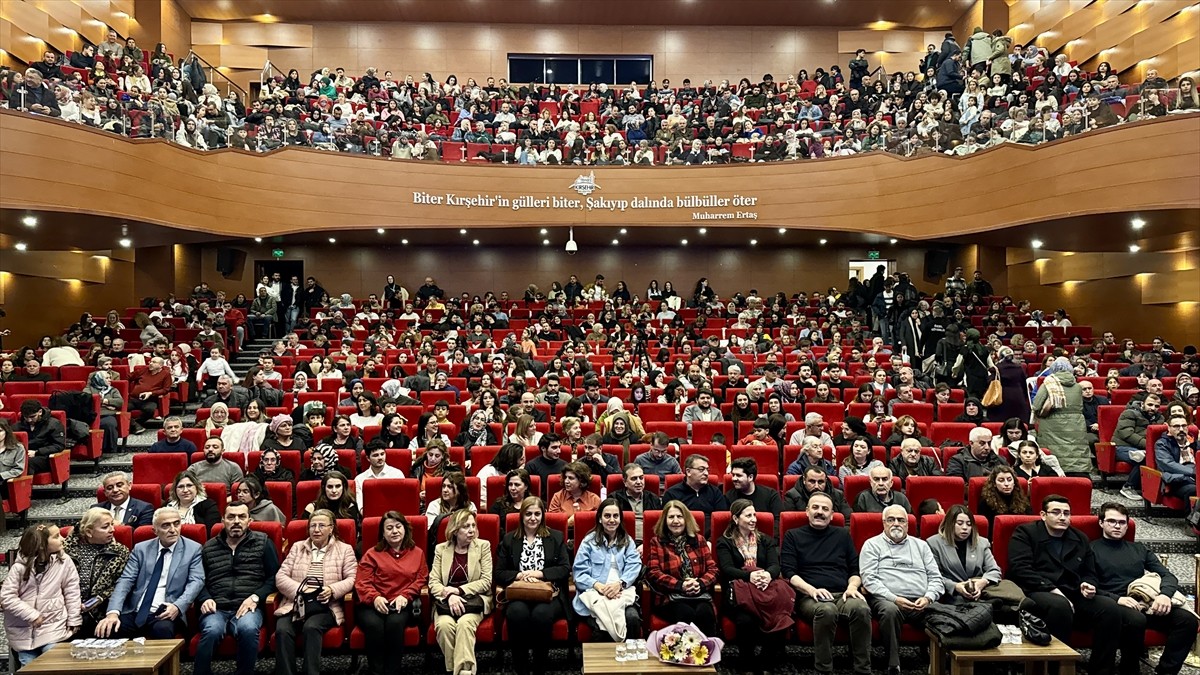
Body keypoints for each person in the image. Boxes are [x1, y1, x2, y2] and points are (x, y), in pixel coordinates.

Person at [1007, 494, 1123, 675]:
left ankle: (1101, 669)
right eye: (1056, 512)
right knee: (1059, 605)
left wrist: (1088, 584)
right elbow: (1020, 569)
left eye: (1066, 513)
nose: (1062, 517)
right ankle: (1057, 668)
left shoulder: (1080, 538)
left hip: (1072, 591)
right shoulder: (1025, 533)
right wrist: (1052, 589)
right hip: (1035, 589)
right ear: (1043, 515)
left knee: (1110, 608)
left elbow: (1089, 572)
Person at [1091, 502, 1198, 675]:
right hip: (1113, 605)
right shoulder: (1091, 549)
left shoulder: (1139, 549)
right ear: (1101, 523)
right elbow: (1087, 585)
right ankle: (1129, 669)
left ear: (1127, 524)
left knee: (1187, 621)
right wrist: (1117, 599)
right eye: (1111, 521)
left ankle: (1166, 671)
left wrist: (1164, 595)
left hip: (1144, 602)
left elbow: (1168, 576)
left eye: (1122, 522)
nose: (1117, 526)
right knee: (1136, 619)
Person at [781, 493, 872, 675]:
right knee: (827, 610)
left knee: (861, 608)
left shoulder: (842, 535)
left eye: (825, 509)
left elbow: (855, 569)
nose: (819, 512)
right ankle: (824, 669)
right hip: (809, 596)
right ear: (807, 511)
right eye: (815, 508)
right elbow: (789, 573)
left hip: (842, 593)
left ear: (832, 515)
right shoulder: (793, 536)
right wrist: (811, 590)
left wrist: (852, 587)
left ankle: (863, 669)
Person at [195, 503, 281, 675]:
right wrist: (205, 598)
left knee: (248, 628)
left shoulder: (263, 543)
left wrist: (256, 597)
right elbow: (198, 580)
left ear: (249, 521)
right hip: (217, 607)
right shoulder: (208, 547)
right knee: (211, 630)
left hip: (248, 605)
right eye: (231, 517)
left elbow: (274, 577)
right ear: (222, 521)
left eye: (241, 517)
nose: (236, 521)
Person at [94, 506, 204, 639]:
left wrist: (178, 606)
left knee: (163, 629)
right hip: (136, 610)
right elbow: (125, 580)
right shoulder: (141, 549)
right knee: (110, 627)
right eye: (166, 526)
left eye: (176, 524)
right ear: (155, 530)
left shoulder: (193, 549)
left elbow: (196, 581)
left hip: (167, 611)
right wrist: (112, 612)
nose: (173, 530)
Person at [859, 505, 944, 675]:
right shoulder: (872, 545)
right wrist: (894, 598)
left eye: (901, 520)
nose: (896, 524)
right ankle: (893, 664)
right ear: (883, 523)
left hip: (919, 600)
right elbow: (869, 580)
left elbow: (936, 578)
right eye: (891, 520)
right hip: (886, 599)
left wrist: (928, 597)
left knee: (944, 614)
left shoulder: (921, 546)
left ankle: (941, 663)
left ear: (907, 524)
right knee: (890, 611)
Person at [273, 509, 357, 675]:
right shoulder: (297, 547)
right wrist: (301, 591)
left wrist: (332, 590)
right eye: (313, 526)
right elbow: (280, 577)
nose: (316, 530)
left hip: (327, 605)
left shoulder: (344, 549)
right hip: (296, 604)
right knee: (282, 629)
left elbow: (352, 578)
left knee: (311, 627)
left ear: (331, 528)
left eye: (321, 526)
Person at [496, 497, 571, 675]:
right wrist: (520, 575)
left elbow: (565, 569)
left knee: (541, 614)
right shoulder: (509, 539)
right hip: (519, 593)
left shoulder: (555, 537)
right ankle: (520, 667)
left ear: (543, 515)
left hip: (548, 594)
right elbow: (499, 573)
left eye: (537, 514)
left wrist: (539, 573)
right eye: (528, 514)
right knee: (516, 613)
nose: (533, 518)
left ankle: (539, 667)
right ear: (521, 516)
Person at [715, 499, 790, 667]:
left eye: (754, 515)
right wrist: (750, 576)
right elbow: (727, 569)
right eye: (748, 515)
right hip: (740, 594)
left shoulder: (765, 540)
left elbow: (774, 566)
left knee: (778, 615)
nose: (753, 519)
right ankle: (746, 662)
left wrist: (767, 575)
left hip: (765, 590)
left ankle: (767, 661)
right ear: (735, 519)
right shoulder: (725, 542)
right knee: (746, 621)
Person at [355, 511, 428, 675]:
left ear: (405, 529)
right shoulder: (372, 554)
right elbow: (362, 582)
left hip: (401, 602)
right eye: (389, 528)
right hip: (371, 604)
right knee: (375, 625)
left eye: (398, 526)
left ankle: (392, 671)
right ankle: (376, 671)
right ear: (383, 532)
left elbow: (421, 579)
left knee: (394, 624)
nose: (394, 531)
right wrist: (375, 598)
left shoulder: (417, 553)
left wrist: (406, 595)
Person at [1, 523, 81, 667]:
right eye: (57, 536)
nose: (63, 539)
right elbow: (7, 597)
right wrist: (32, 615)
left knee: (52, 661)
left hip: (53, 627)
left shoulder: (64, 561)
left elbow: (72, 591)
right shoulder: (19, 568)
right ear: (42, 545)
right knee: (29, 665)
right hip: (22, 631)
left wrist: (74, 618)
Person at [430, 509, 493, 675]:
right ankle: (455, 671)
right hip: (446, 603)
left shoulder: (483, 546)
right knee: (444, 626)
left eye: (473, 525)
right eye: (466, 526)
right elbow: (433, 582)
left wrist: (458, 591)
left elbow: (486, 581)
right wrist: (449, 595)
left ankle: (464, 672)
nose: (471, 529)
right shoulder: (441, 549)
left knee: (465, 625)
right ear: (455, 530)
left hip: (473, 601)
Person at [926, 505, 1023, 608]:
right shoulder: (933, 543)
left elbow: (994, 570)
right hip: (954, 596)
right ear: (949, 524)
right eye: (960, 523)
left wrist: (983, 582)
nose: (965, 528)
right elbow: (934, 576)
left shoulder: (981, 542)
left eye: (969, 524)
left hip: (982, 592)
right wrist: (955, 586)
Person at [573, 498, 642, 641]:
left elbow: (634, 566)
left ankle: (631, 660)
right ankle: (600, 664)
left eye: (615, 516)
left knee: (633, 619)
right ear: (599, 519)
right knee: (602, 626)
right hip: (595, 593)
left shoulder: (627, 541)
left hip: (621, 592)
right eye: (607, 516)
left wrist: (620, 584)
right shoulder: (589, 542)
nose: (611, 520)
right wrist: (600, 587)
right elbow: (579, 573)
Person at [645, 500, 718, 634]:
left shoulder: (699, 540)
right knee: (686, 614)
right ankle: (683, 653)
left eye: (679, 516)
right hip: (670, 597)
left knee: (705, 613)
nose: (676, 521)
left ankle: (706, 653)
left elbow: (713, 570)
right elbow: (653, 572)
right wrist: (680, 585)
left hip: (699, 594)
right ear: (665, 521)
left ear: (686, 519)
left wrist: (700, 584)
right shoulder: (657, 542)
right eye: (671, 517)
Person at [62, 507, 130, 636]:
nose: (112, 530)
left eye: (112, 524)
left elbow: (121, 584)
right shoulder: (66, 550)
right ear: (89, 532)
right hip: (66, 607)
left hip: (100, 609)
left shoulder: (119, 552)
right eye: (105, 527)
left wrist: (99, 598)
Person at [1032, 356, 1090, 476]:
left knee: (1055, 453)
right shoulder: (1078, 386)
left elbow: (1037, 406)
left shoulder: (1048, 384)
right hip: (1076, 425)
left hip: (1052, 424)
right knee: (1076, 452)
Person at [1113, 393, 1164, 500]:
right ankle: (1128, 487)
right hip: (1122, 447)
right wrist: (1149, 446)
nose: (1153, 408)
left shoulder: (1160, 418)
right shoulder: (1129, 413)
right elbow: (1126, 434)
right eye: (1150, 405)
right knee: (1145, 458)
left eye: (1156, 406)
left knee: (1156, 456)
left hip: (1145, 448)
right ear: (1142, 404)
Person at [611, 462, 663, 543]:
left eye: (641, 478)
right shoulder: (614, 498)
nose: (639, 482)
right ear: (625, 482)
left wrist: (646, 544)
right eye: (634, 479)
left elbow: (660, 525)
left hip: (650, 542)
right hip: (622, 541)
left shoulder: (653, 498)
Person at [663, 453, 728, 517]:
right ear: (688, 472)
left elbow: (721, 520)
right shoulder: (672, 494)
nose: (706, 473)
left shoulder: (715, 492)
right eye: (701, 469)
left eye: (707, 470)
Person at [15, 399, 66, 474]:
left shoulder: (54, 424)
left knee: (27, 463)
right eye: (26, 417)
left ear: (40, 412)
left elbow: (59, 446)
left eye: (32, 417)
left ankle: (24, 485)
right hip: (23, 455)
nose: (29, 420)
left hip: (45, 456)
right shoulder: (18, 425)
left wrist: (37, 452)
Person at [1153, 415, 1197, 501]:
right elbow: (1168, 465)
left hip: (1196, 477)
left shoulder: (1194, 442)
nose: (1181, 429)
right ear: (1169, 428)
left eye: (1184, 426)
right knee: (1193, 490)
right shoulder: (1162, 444)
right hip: (1178, 481)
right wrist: (1193, 472)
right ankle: (1191, 514)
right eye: (1176, 426)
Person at [784, 466, 853, 520]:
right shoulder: (792, 495)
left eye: (820, 482)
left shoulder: (838, 495)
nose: (816, 486)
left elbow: (848, 520)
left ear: (826, 481)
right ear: (804, 480)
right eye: (812, 481)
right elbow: (790, 522)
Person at [354, 442, 406, 510]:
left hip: (393, 514)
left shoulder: (397, 474)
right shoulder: (359, 479)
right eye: (375, 455)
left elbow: (402, 499)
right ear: (368, 458)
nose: (380, 458)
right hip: (369, 515)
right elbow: (360, 504)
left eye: (382, 454)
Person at [127, 356, 173, 432]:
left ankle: (135, 424)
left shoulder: (166, 374)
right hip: (134, 398)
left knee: (150, 409)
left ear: (161, 365)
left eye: (154, 362)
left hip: (150, 400)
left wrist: (151, 393)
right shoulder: (143, 370)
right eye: (150, 362)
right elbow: (128, 377)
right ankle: (134, 425)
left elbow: (166, 389)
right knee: (122, 408)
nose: (150, 364)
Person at [84, 370, 124, 453]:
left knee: (109, 424)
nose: (110, 380)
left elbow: (120, 402)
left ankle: (109, 450)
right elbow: (87, 401)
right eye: (107, 378)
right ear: (99, 379)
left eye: (110, 378)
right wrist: (107, 403)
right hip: (92, 414)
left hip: (107, 414)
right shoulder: (88, 389)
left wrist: (105, 401)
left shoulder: (113, 390)